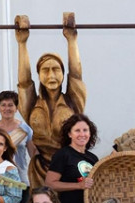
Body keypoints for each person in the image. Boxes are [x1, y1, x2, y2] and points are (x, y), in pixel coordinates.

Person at [15, 13, 86, 188]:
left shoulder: (73, 102)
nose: (51, 75)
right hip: (40, 170)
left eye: (56, 69)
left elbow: (76, 74)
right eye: (45, 70)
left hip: (67, 168)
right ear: (38, 75)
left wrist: (71, 40)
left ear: (63, 74)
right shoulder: (32, 105)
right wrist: (22, 43)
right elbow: (24, 83)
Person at [0, 90, 35, 185]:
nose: (7, 108)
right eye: (3, 105)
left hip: (20, 179)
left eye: (10, 105)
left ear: (16, 108)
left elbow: (34, 155)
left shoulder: (25, 129)